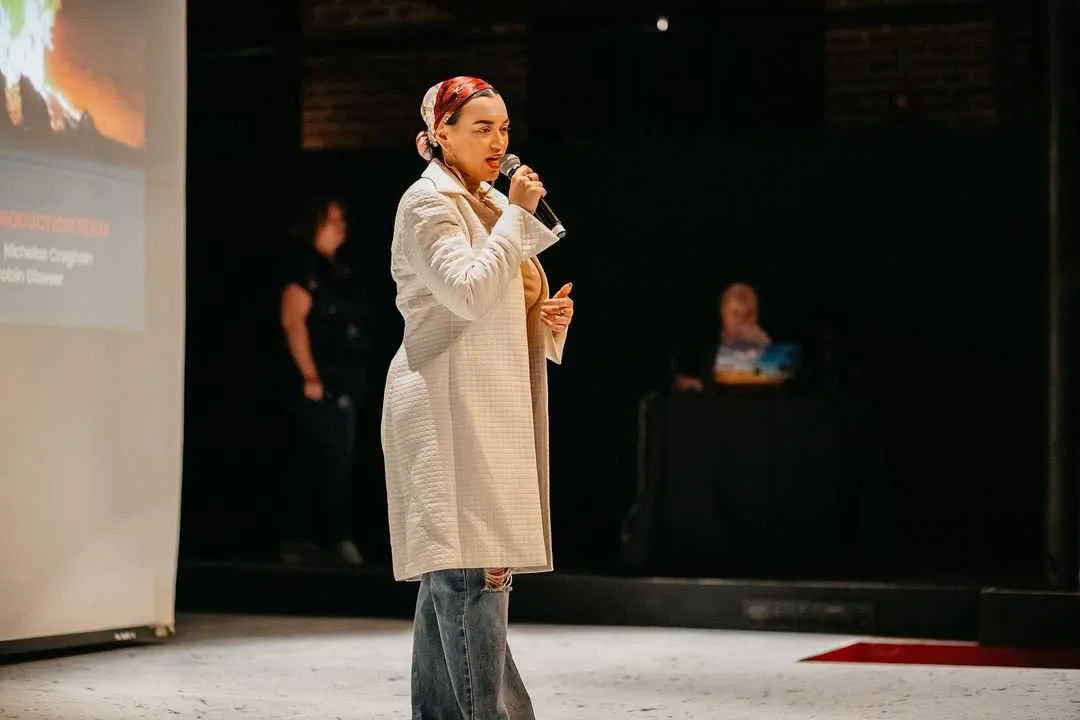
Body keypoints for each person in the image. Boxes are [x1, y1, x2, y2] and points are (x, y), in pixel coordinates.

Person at [380, 75, 574, 718]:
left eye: (504, 128)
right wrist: (517, 213)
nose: (499, 142)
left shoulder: (486, 201)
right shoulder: (427, 203)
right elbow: (465, 290)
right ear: (442, 133)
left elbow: (494, 301)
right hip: (445, 405)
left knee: (457, 574)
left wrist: (542, 320)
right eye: (482, 128)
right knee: (472, 571)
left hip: (484, 401)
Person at [278, 197, 367, 566]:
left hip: (343, 383)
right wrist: (309, 374)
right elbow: (292, 320)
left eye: (342, 219)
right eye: (332, 220)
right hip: (316, 385)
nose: (340, 227)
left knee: (339, 464)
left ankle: (331, 536)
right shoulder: (304, 266)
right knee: (315, 461)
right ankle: (309, 539)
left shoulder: (340, 269)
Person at [674, 282, 770, 391]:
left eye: (748, 314)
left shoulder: (761, 346)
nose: (741, 319)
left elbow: (776, 390)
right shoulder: (707, 344)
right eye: (735, 313)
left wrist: (766, 348)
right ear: (724, 313)